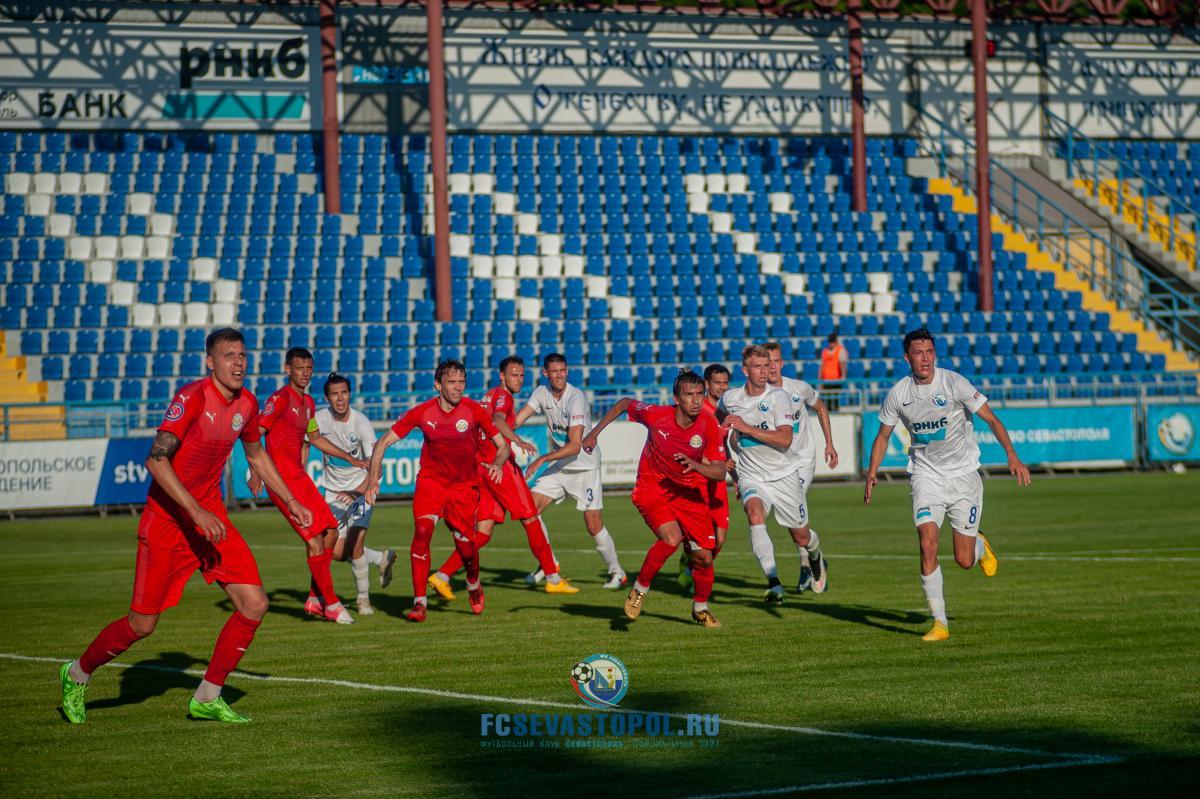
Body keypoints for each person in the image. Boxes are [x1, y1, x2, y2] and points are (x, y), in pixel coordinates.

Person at [59, 328, 314, 724]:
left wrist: (291, 500)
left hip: (211, 519)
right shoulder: (192, 397)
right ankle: (77, 674)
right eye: (228, 355)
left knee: (254, 603)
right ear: (210, 362)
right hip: (168, 521)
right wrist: (195, 512)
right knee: (142, 625)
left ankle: (207, 696)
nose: (238, 362)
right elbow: (155, 460)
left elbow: (256, 455)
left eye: (242, 355)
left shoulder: (248, 403)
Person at [864, 328, 1031, 642]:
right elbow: (883, 436)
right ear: (907, 358)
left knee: (964, 560)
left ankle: (979, 544)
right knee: (927, 543)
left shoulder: (954, 383)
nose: (925, 359)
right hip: (926, 477)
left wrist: (1012, 454)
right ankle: (939, 623)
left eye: (929, 352)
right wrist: (872, 471)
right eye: (918, 353)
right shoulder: (899, 393)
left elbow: (992, 419)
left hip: (964, 477)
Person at [365, 359, 511, 622]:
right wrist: (373, 479)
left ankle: (473, 582)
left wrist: (498, 463)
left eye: (462, 382)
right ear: (437, 385)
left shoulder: (474, 411)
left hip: (464, 488)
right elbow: (383, 442)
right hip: (431, 482)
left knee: (466, 548)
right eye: (452, 382)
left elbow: (503, 446)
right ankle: (419, 602)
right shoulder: (422, 412)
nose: (458, 387)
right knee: (422, 532)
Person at [581, 371, 728, 628]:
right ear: (676, 399)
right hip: (653, 488)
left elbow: (720, 471)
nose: (696, 400)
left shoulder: (708, 424)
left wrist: (696, 465)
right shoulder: (656, 415)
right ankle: (639, 590)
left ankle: (700, 608)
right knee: (671, 538)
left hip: (688, 494)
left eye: (699, 394)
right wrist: (594, 433)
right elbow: (624, 403)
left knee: (704, 557)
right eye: (689, 395)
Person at [428, 356, 578, 598]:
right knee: (530, 517)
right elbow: (498, 420)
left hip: (482, 466)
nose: (518, 380)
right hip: (500, 467)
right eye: (513, 375)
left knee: (484, 532)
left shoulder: (489, 395)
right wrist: (517, 440)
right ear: (502, 376)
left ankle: (442, 575)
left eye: (521, 375)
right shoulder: (503, 397)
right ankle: (553, 577)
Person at [249, 347, 367, 625]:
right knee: (314, 540)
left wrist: (350, 458)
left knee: (330, 532)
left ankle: (315, 598)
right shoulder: (279, 399)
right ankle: (332, 605)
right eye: (299, 368)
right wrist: (256, 469)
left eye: (308, 368)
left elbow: (315, 438)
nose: (304, 373)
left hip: (299, 477)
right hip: (280, 481)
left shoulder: (309, 403)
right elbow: (255, 433)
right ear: (288, 369)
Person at [513, 353, 626, 588]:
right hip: (562, 466)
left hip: (585, 466)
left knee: (593, 524)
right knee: (529, 510)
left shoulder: (576, 398)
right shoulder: (541, 393)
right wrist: (496, 429)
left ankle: (617, 572)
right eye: (554, 371)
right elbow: (517, 420)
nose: (560, 375)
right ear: (545, 373)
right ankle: (549, 564)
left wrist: (543, 459)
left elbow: (575, 445)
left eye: (563, 370)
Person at [716, 344, 812, 604]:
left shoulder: (778, 397)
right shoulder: (731, 398)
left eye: (766, 366)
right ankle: (774, 582)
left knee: (802, 536)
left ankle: (815, 554)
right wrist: (725, 447)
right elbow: (717, 416)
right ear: (745, 371)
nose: (764, 371)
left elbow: (785, 439)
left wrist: (746, 428)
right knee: (754, 514)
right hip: (752, 475)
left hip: (784, 475)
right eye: (757, 367)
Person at [313, 373, 397, 616]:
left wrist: (358, 491)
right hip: (333, 493)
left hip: (361, 490)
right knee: (339, 553)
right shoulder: (318, 420)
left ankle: (363, 600)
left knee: (356, 543)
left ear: (350, 394)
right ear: (327, 397)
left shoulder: (361, 423)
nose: (340, 398)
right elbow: (305, 440)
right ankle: (381, 558)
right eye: (334, 394)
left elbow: (376, 466)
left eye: (344, 393)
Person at [763, 341, 838, 593]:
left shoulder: (798, 388)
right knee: (789, 515)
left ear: (782, 363)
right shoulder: (759, 396)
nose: (772, 367)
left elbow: (821, 407)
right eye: (767, 363)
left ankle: (808, 564)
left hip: (803, 461)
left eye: (776, 361)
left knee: (792, 508)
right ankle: (811, 560)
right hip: (778, 465)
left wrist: (829, 443)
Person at [819, 332, 848, 411]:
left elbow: (842, 364)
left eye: (833, 341)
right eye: (830, 342)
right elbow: (821, 366)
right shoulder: (825, 351)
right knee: (826, 403)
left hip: (836, 381)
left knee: (835, 402)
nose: (831, 343)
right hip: (826, 381)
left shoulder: (840, 350)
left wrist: (843, 375)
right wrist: (820, 381)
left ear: (836, 341)